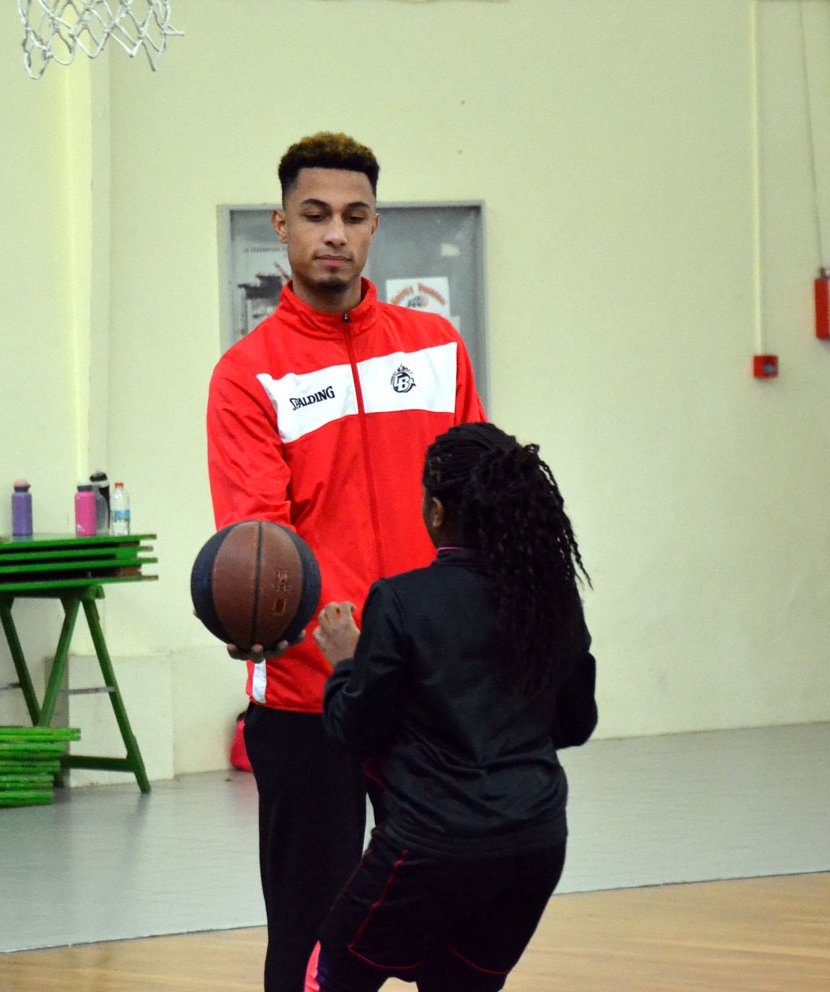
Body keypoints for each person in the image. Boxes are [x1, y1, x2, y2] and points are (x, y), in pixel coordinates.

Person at [205, 131, 486, 992]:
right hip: (308, 702)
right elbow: (261, 545)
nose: (336, 232)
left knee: (454, 922)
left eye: (355, 216)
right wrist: (335, 657)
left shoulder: (436, 348)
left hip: (427, 694)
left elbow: (480, 509)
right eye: (317, 215)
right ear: (281, 226)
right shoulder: (248, 378)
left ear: (375, 228)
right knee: (313, 934)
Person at [307, 422, 598, 992]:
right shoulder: (553, 596)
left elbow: (355, 730)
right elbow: (576, 723)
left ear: (437, 512)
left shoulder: (399, 600)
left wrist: (346, 662)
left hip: (428, 847)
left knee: (330, 975)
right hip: (535, 843)